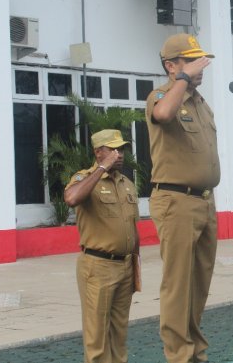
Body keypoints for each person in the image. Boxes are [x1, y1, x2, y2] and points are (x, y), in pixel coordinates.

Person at [146, 33, 219, 363]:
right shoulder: (161, 96)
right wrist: (183, 80)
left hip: (205, 201)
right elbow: (163, 114)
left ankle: (195, 351)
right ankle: (178, 355)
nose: (200, 67)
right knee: (178, 285)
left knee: (199, 283)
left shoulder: (201, 103)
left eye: (200, 60)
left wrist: (188, 83)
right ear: (171, 66)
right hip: (176, 201)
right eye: (191, 61)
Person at [64, 129, 139, 363]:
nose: (120, 154)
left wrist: (135, 264)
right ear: (98, 152)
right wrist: (101, 169)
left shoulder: (127, 183)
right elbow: (72, 198)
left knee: (119, 334)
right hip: (98, 267)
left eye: (122, 148)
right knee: (97, 336)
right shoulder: (84, 179)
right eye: (113, 149)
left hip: (125, 266)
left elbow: (132, 226)